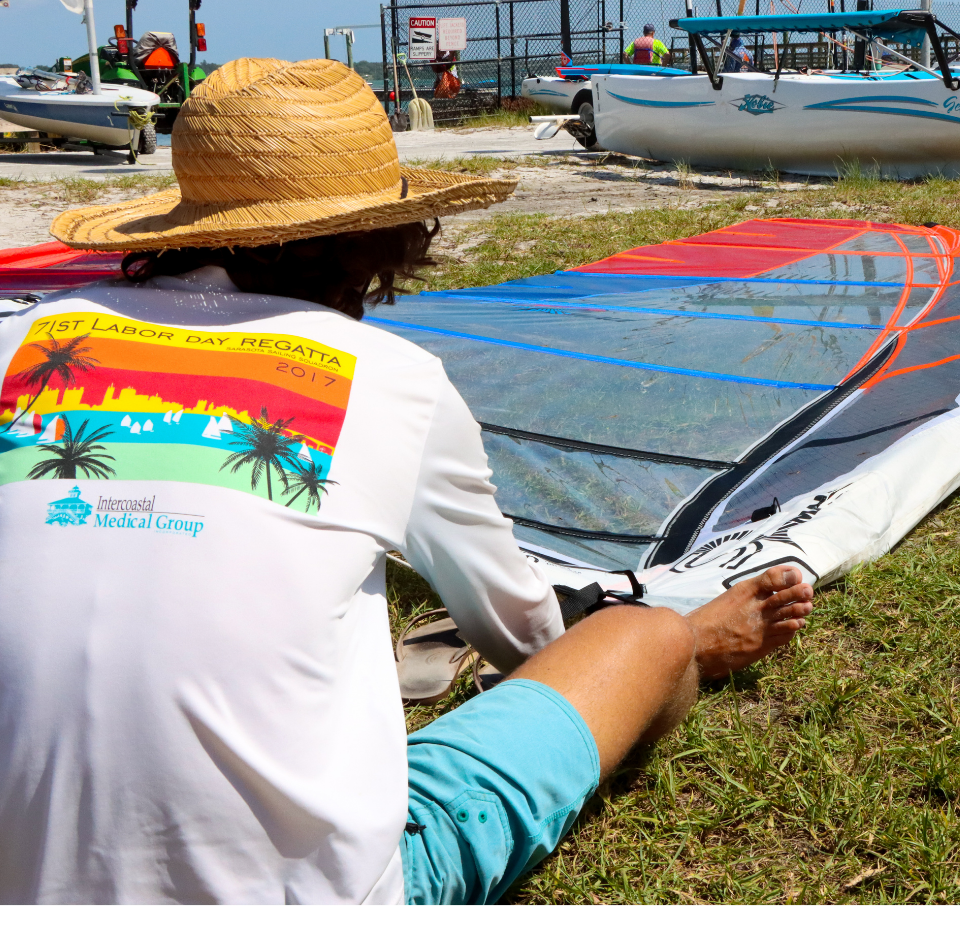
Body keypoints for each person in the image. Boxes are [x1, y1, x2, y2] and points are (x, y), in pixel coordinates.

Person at [0, 58, 813, 905]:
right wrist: (646, 641)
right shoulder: (390, 378)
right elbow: (523, 634)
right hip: (311, 900)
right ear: (382, 236)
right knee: (636, 643)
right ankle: (693, 647)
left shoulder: (19, 339)